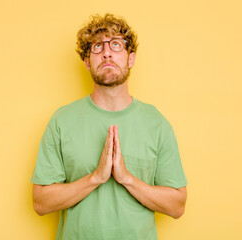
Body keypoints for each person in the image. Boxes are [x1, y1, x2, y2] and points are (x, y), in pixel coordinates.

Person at [31, 13, 188, 240]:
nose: (106, 52)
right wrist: (95, 177)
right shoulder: (62, 121)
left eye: (116, 44)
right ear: (87, 62)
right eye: (97, 47)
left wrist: (126, 178)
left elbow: (177, 206)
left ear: (131, 58)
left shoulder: (156, 123)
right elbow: (40, 203)